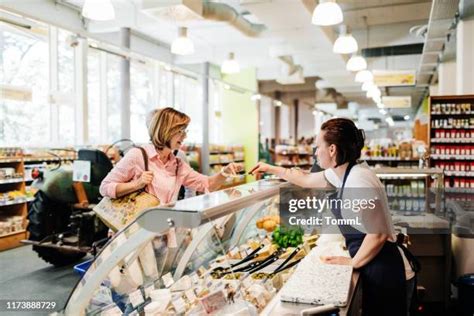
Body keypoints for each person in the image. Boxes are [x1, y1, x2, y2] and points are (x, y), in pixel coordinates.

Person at [250, 118, 416, 316]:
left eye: (318, 146)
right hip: (375, 264)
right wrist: (270, 168)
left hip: (387, 270)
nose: (315, 151)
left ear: (332, 150)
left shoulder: (358, 180)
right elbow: (305, 179)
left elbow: (378, 234)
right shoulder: (342, 172)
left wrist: (351, 263)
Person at [100, 107, 242, 204]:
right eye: (180, 131)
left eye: (185, 131)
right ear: (166, 131)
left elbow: (207, 184)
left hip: (163, 232)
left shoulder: (177, 164)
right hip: (135, 233)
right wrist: (137, 184)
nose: (185, 136)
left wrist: (225, 172)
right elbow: (105, 187)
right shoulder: (138, 155)